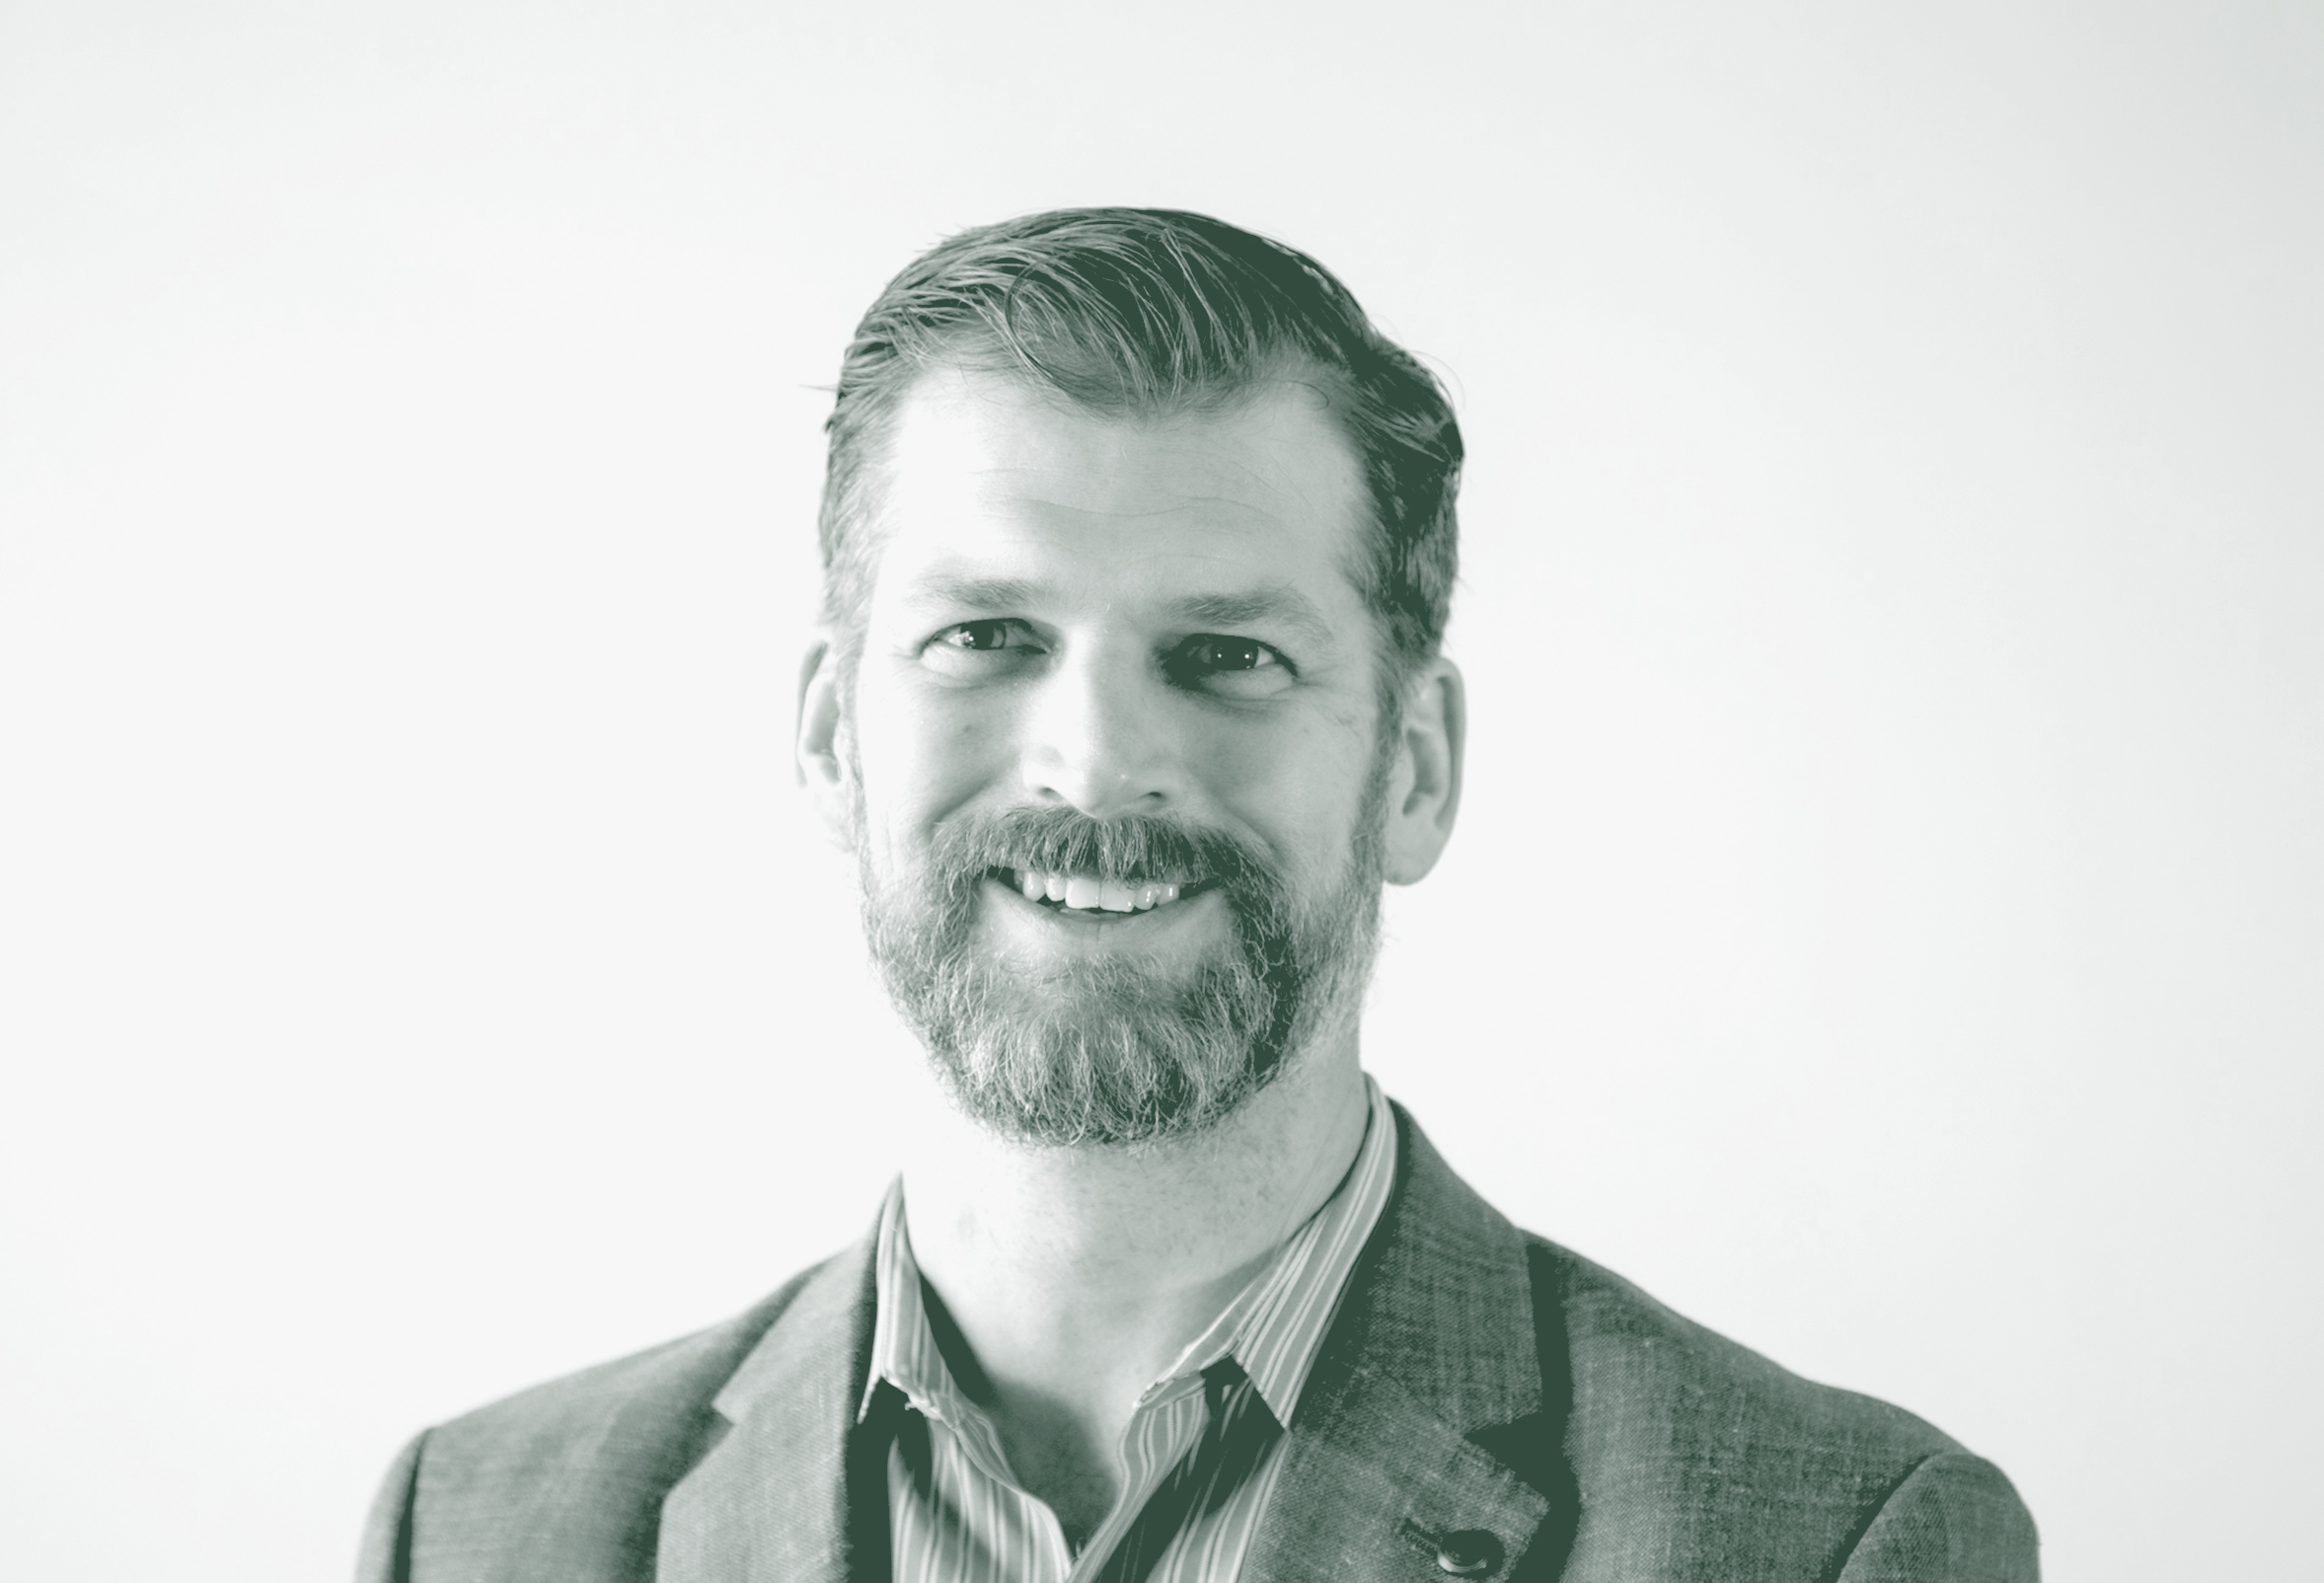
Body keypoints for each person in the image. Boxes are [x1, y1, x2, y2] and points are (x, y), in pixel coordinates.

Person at [355, 208, 2038, 1583]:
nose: (1093, 767)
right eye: (986, 639)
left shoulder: (1834, 1541)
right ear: (827, 736)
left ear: (1417, 766)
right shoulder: (482, 1532)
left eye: (1227, 654)